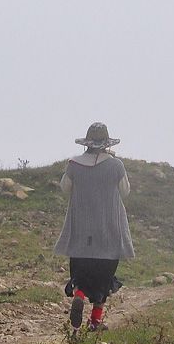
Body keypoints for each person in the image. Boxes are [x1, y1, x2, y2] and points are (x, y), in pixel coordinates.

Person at [54, 122, 134, 332]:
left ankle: (79, 294)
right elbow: (125, 192)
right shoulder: (116, 165)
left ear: (87, 143)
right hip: (108, 230)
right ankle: (95, 322)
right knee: (104, 278)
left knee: (81, 271)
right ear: (106, 143)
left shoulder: (74, 164)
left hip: (82, 229)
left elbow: (65, 188)